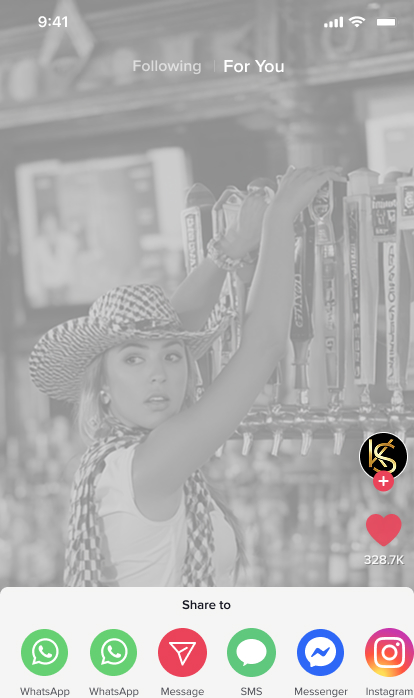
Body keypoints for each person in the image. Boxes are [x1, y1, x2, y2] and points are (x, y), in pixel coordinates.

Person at [29, 166, 341, 587]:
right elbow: (263, 346)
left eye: (173, 359)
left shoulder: (116, 461)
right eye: (133, 361)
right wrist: (279, 217)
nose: (158, 374)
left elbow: (173, 325)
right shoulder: (149, 462)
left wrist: (231, 248)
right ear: (102, 384)